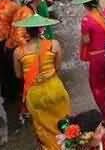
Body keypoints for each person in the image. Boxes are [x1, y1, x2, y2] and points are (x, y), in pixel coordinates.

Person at [13, 14, 71, 150]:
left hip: (35, 93)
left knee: (44, 129)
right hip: (55, 88)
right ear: (42, 29)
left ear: (26, 31)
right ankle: (69, 145)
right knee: (63, 122)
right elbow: (57, 68)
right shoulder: (54, 44)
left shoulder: (18, 52)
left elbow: (18, 75)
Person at [74, 0, 105, 124]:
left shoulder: (86, 20)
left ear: (85, 6)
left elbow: (86, 41)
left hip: (97, 58)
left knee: (98, 87)